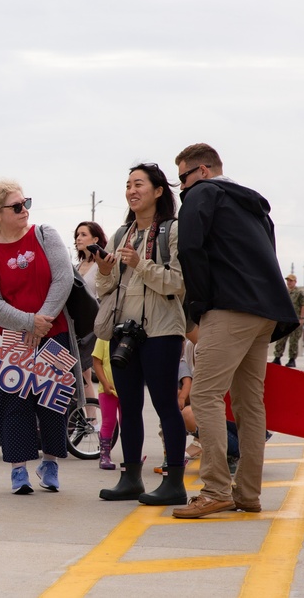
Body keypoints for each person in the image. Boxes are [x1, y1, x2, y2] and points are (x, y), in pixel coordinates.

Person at [171, 143, 298, 519]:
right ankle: (247, 494)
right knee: (249, 403)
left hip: (229, 308)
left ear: (203, 170)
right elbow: (269, 253)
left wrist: (198, 305)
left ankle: (214, 490)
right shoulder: (252, 204)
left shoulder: (202, 194)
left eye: (183, 177)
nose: (181, 188)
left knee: (205, 397)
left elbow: (190, 250)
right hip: (266, 311)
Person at [0, 180, 76, 495]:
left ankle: (51, 464)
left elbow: (63, 277)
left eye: (26, 203)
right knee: (14, 407)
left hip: (53, 335)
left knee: (54, 405)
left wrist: (40, 322)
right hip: (10, 342)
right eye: (16, 206)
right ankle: (19, 471)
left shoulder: (45, 235)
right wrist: (28, 323)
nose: (24, 210)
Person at [94, 163, 187, 506]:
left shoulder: (173, 231)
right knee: (127, 407)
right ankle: (130, 477)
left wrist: (140, 264)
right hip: (124, 332)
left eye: (139, 184)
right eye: (128, 185)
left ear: (159, 191)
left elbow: (178, 283)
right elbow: (110, 289)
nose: (132, 191)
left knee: (166, 405)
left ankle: (174, 481)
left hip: (163, 330)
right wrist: (105, 272)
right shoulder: (122, 235)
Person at [73, 221, 107, 421]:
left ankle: (91, 419)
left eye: (83, 234)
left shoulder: (100, 264)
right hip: (78, 325)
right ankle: (84, 418)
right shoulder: (78, 266)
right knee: (80, 374)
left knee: (85, 373)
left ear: (95, 239)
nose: (78, 238)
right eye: (77, 234)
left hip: (93, 326)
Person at [91, 337, 119, 470]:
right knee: (109, 422)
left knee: (130, 422)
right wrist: (105, 383)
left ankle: (132, 456)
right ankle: (104, 455)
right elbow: (97, 362)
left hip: (128, 390)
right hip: (107, 390)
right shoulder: (103, 337)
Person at [272, 274, 304, 368]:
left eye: (291, 281)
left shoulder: (299, 292)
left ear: (295, 282)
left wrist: (302, 318)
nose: (289, 282)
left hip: (295, 320)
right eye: (288, 280)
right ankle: (277, 358)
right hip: (284, 320)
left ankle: (292, 359)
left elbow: (303, 305)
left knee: (293, 341)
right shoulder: (284, 292)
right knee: (280, 339)